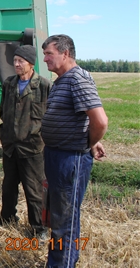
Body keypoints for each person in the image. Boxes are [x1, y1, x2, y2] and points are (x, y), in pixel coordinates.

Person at [41, 34, 108, 268]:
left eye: (49, 53)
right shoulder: (63, 80)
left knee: (64, 219)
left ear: (65, 53)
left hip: (70, 158)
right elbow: (81, 117)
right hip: (58, 155)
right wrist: (89, 138)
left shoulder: (77, 79)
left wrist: (88, 143)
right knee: (61, 215)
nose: (45, 58)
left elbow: (100, 121)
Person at [0, 45, 51, 239]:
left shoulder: (44, 86)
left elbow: (50, 116)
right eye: (15, 61)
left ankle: (39, 228)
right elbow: (3, 111)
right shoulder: (9, 84)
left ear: (31, 63)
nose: (16, 64)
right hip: (10, 146)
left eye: (21, 61)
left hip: (33, 148)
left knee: (34, 190)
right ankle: (7, 219)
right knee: (8, 187)